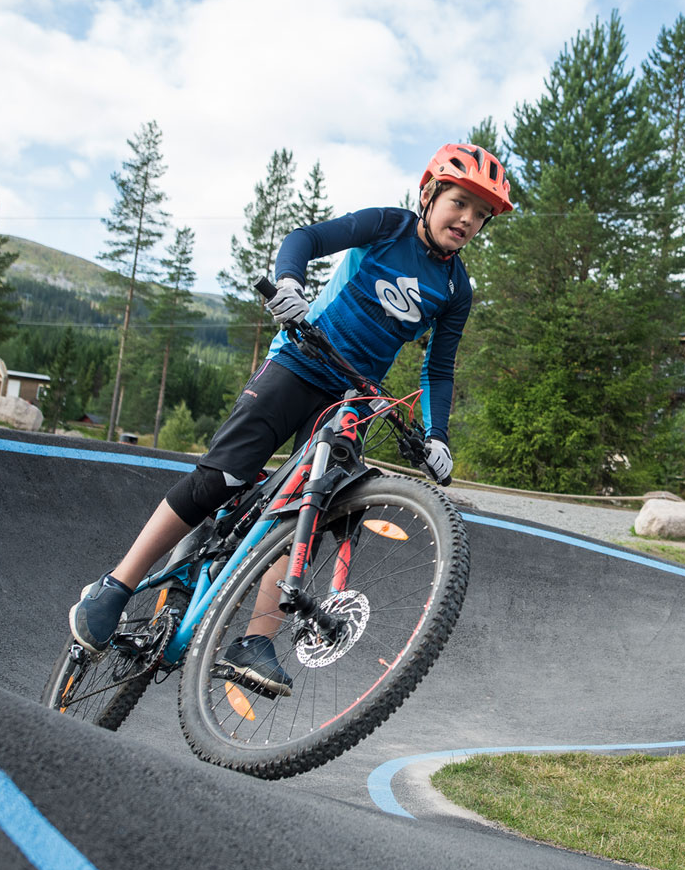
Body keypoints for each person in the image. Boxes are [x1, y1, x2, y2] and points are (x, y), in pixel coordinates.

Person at [66, 142, 512, 695]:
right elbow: (305, 240)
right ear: (429, 195)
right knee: (221, 478)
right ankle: (114, 586)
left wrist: (438, 435)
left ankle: (254, 641)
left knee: (312, 508)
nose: (468, 219)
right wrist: (291, 284)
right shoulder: (389, 226)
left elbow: (437, 368)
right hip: (301, 359)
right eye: (460, 203)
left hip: (353, 397)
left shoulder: (455, 288)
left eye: (481, 214)